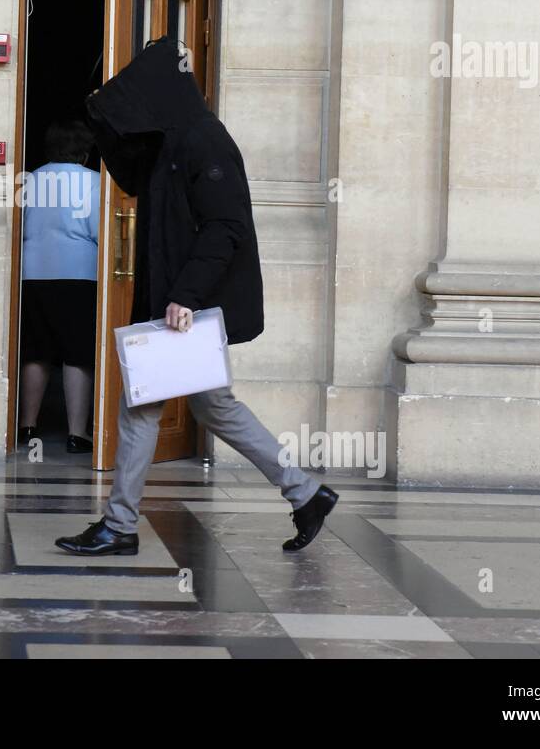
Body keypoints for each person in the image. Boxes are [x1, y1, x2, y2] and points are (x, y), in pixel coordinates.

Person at [54, 36, 338, 556]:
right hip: (177, 304)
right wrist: (101, 115)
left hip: (187, 307)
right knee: (212, 408)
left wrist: (185, 296)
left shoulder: (206, 140)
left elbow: (225, 228)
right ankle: (305, 491)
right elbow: (132, 175)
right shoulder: (172, 139)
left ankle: (119, 526)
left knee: (145, 408)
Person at [17, 120, 100, 454]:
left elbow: (20, 230)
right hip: (79, 273)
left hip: (33, 272)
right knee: (77, 355)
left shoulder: (30, 180)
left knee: (36, 352)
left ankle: (27, 426)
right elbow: (98, 231)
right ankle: (77, 434)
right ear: (85, 149)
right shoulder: (94, 182)